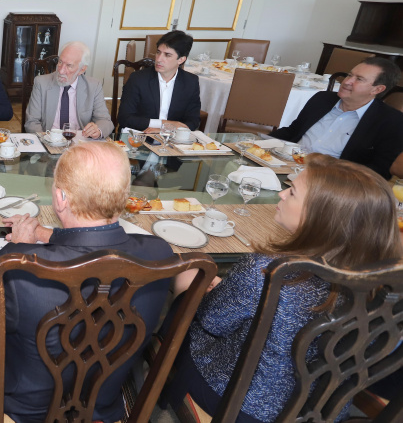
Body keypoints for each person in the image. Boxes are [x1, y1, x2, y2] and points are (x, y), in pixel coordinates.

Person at [166, 154, 403, 423]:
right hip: (322, 411)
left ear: (321, 216)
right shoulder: (387, 286)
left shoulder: (267, 270)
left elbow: (212, 322)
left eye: (292, 192)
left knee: (188, 282)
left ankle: (156, 385)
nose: (281, 194)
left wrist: (206, 292)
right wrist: (238, 294)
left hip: (241, 405)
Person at [0, 141, 174, 422]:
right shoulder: (161, 255)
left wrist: (18, 247)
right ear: (124, 196)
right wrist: (44, 234)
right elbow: (92, 244)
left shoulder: (19, 270)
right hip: (103, 401)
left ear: (60, 198)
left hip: (29, 410)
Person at [269, 57, 403, 179]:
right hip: (286, 165)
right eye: (349, 75)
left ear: (377, 89)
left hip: (331, 181)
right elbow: (293, 131)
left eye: (359, 79)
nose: (347, 82)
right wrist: (261, 141)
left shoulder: (391, 121)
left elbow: (380, 170)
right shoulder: (322, 99)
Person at [24, 41, 114, 137]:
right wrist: (45, 139)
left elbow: (105, 121)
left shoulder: (94, 86)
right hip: (48, 138)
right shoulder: (41, 83)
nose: (61, 71)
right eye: (60, 62)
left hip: (80, 140)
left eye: (69, 66)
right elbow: (32, 122)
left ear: (82, 69)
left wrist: (97, 130)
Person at [117, 29, 202, 131]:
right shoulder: (138, 79)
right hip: (140, 134)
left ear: (181, 59)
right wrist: (163, 124)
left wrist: (165, 131)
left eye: (167, 55)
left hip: (172, 137)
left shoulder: (191, 82)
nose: (159, 59)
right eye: (158, 52)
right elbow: (124, 118)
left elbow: (193, 121)